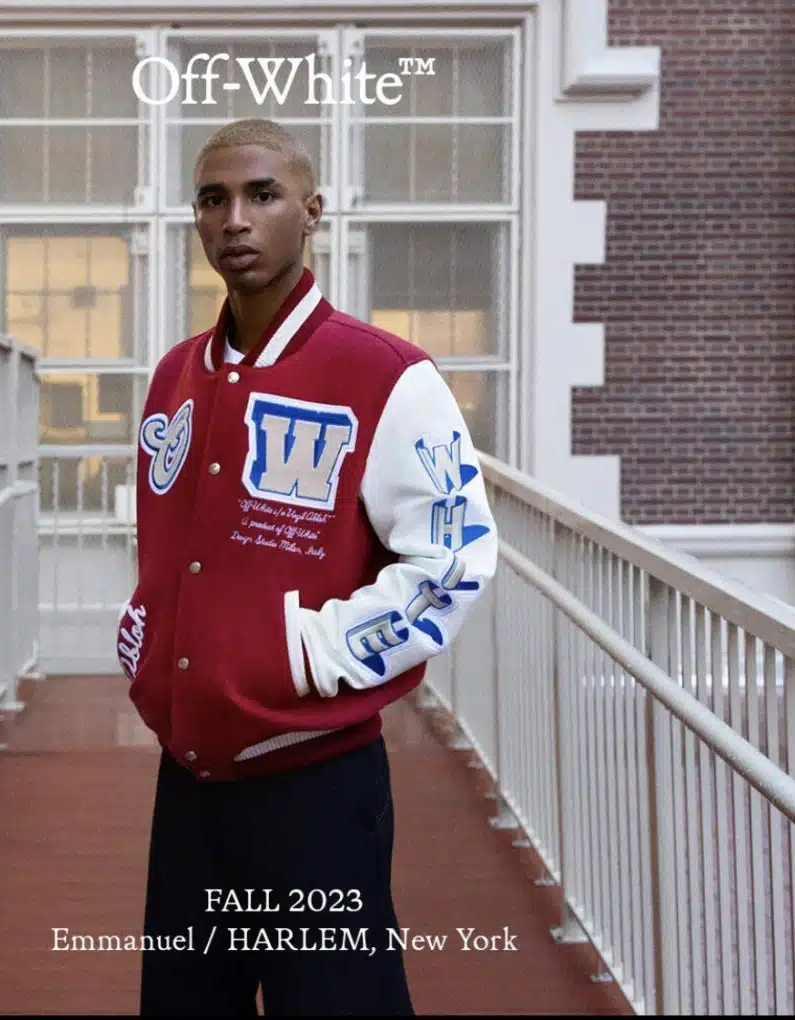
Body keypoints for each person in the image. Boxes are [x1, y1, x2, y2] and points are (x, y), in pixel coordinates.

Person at [117, 117, 499, 1016]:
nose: (235, 221)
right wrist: (147, 639)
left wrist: (304, 657)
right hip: (191, 776)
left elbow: (452, 560)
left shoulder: (387, 376)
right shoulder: (176, 373)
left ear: (311, 210)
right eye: (213, 200)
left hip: (314, 785)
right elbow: (171, 544)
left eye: (262, 195)